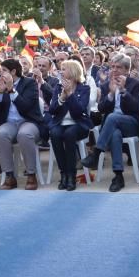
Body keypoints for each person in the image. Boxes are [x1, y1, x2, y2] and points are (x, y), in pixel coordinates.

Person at [82, 53, 139, 192]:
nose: (114, 70)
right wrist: (110, 94)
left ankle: (96, 153)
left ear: (127, 70)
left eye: (119, 68)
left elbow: (136, 108)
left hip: (131, 123)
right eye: (113, 67)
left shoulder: (135, 84)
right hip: (112, 126)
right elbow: (101, 108)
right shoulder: (106, 85)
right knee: (115, 134)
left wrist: (123, 91)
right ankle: (118, 175)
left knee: (112, 118)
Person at [0, 58, 43, 190]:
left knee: (24, 134)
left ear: (13, 71)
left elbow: (25, 106)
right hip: (10, 123)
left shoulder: (29, 83)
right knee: (1, 134)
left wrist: (11, 90)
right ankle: (9, 176)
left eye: (4, 70)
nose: (0, 73)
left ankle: (31, 174)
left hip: (28, 121)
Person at [48, 60, 92, 191]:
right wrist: (61, 98)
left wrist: (71, 95)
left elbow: (79, 110)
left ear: (73, 72)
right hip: (60, 123)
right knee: (54, 134)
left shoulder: (84, 88)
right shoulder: (58, 87)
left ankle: (72, 175)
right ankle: (64, 174)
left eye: (64, 69)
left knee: (69, 134)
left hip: (78, 124)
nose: (61, 71)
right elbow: (52, 110)